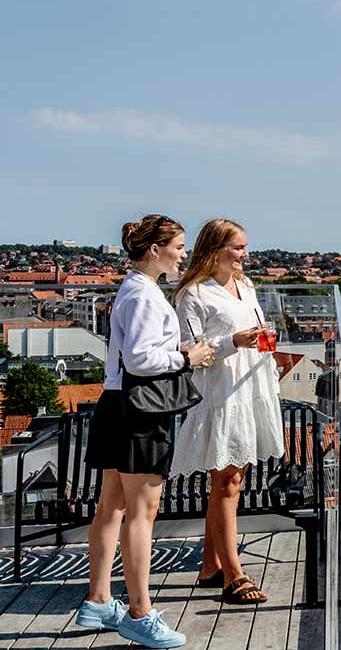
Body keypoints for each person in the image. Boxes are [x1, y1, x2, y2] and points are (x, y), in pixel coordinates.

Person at [77, 214, 212, 649]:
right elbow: (140, 360)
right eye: (178, 246)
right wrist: (186, 358)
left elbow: (130, 357)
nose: (183, 254)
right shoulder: (143, 295)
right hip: (140, 411)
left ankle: (98, 599)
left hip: (119, 404)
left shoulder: (133, 290)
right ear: (154, 250)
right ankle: (139, 612)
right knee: (142, 512)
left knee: (111, 506)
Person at [172, 218, 284, 605]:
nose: (245, 254)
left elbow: (253, 330)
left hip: (251, 386)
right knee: (227, 483)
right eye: (238, 248)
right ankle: (233, 575)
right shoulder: (193, 294)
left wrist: (261, 344)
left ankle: (210, 566)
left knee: (231, 482)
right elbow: (190, 351)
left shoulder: (246, 285)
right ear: (216, 249)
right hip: (222, 395)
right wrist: (232, 342)